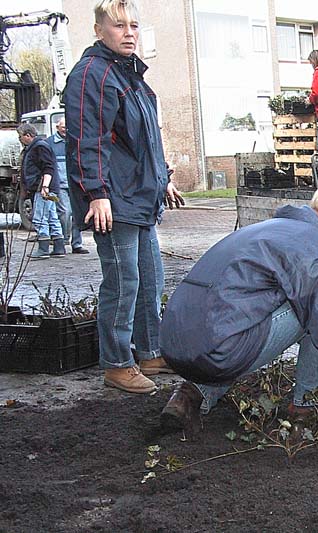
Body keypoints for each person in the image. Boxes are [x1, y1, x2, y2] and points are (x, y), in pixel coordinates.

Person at [159, 178, 318, 433]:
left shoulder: (273, 228)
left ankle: (191, 394)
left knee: (284, 308)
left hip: (174, 343)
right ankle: (312, 406)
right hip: (219, 351)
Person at [64, 0, 184, 394]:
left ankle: (150, 352)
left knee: (151, 280)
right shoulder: (92, 75)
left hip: (140, 198)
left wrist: (162, 178)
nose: (128, 32)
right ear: (99, 31)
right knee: (123, 282)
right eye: (118, 26)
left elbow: (147, 140)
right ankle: (117, 364)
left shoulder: (131, 77)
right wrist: (96, 193)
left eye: (133, 25)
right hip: (114, 201)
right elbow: (88, 139)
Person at [17, 123, 65, 260]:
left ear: (27, 135)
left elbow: (48, 168)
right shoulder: (37, 146)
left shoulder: (39, 147)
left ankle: (43, 249)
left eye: (20, 136)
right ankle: (58, 247)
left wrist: (44, 187)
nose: (20, 139)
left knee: (40, 218)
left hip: (42, 188)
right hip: (47, 187)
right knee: (51, 216)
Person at [47, 118, 89, 254]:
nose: (66, 130)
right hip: (60, 184)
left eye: (67, 127)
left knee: (77, 214)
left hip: (75, 183)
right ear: (57, 127)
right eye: (63, 127)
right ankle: (62, 239)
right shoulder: (50, 143)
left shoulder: (74, 140)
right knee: (65, 212)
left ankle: (76, 244)